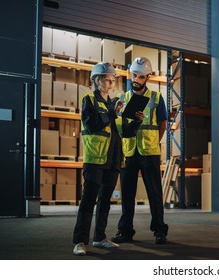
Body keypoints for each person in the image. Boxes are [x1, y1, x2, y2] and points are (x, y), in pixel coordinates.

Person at [72, 62, 141, 256]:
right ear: (96, 80)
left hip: (113, 160)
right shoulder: (89, 100)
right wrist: (111, 114)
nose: (110, 82)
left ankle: (99, 237)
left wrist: (136, 122)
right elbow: (92, 124)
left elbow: (124, 132)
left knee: (105, 201)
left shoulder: (115, 105)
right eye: (106, 78)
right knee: (88, 200)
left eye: (112, 79)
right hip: (95, 158)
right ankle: (79, 241)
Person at [112, 56, 169, 245]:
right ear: (130, 74)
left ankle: (159, 230)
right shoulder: (122, 99)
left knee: (155, 193)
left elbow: (162, 124)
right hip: (129, 152)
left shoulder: (156, 98)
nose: (136, 80)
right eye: (134, 75)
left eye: (141, 77)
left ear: (148, 78)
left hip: (150, 152)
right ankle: (125, 231)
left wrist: (154, 141)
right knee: (127, 194)